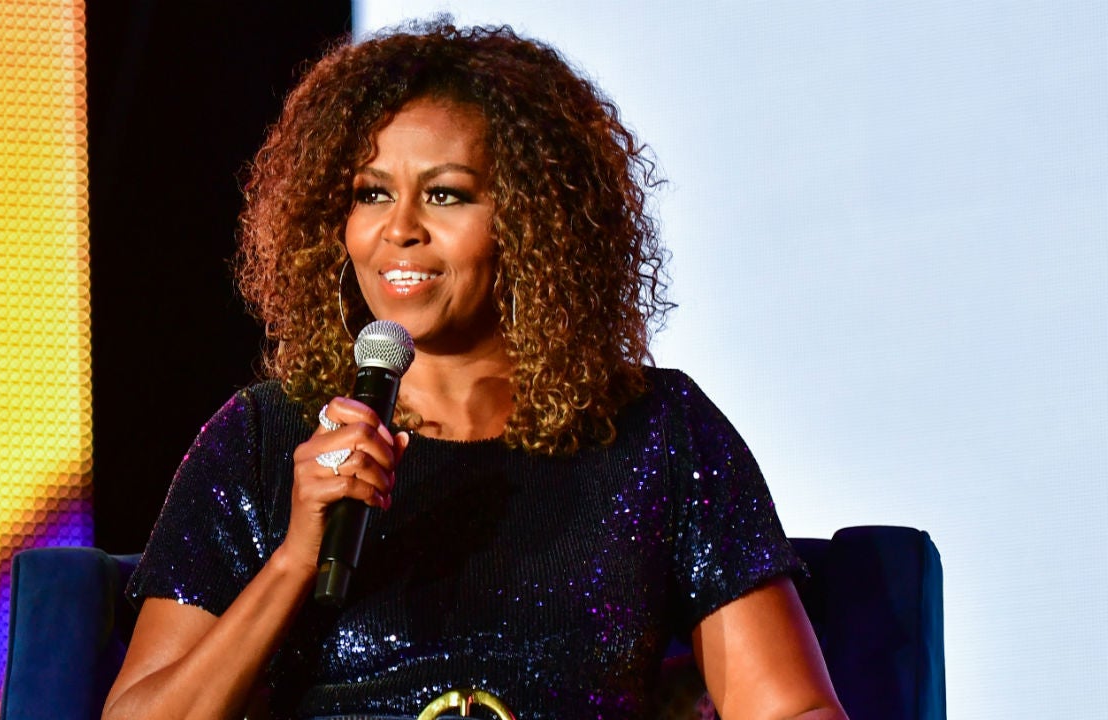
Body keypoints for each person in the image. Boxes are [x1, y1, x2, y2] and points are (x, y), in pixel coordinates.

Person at [103, 21, 846, 720]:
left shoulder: (657, 431)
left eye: (445, 195)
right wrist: (297, 560)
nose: (400, 229)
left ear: (531, 221)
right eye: (371, 194)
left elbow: (792, 706)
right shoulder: (265, 439)